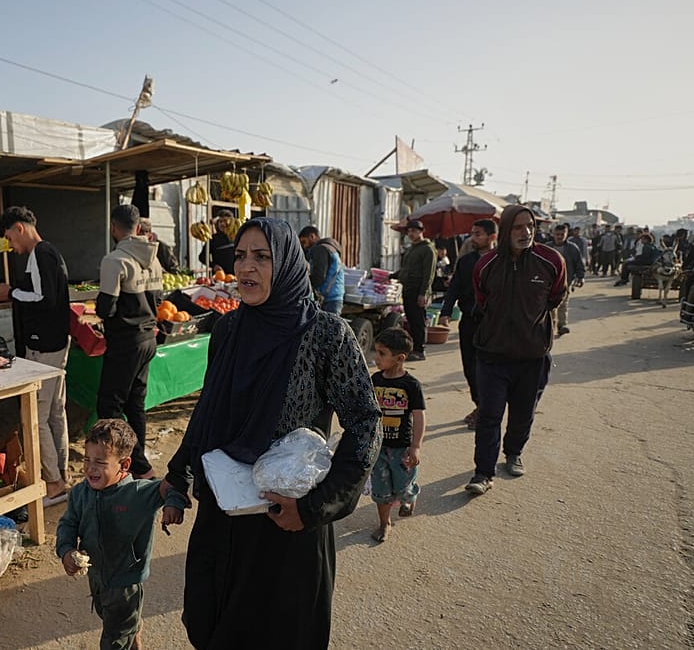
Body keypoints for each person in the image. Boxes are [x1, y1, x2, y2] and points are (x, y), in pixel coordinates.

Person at [163, 217, 381, 649]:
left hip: (286, 519)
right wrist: (178, 473)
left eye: (262, 257)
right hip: (224, 513)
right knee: (213, 622)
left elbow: (365, 421)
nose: (246, 267)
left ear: (287, 264)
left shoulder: (326, 335)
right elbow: (209, 409)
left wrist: (317, 505)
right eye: (240, 256)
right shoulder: (227, 329)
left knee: (280, 632)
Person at [56, 419, 189, 650]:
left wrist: (173, 504)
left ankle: (129, 631)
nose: (90, 468)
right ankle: (133, 629)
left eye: (100, 462)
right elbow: (68, 524)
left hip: (126, 585)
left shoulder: (137, 493)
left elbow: (170, 487)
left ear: (124, 464)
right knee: (110, 618)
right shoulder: (79, 493)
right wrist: (66, 550)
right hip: (97, 578)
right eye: (87, 459)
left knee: (114, 640)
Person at [465, 205, 566, 495]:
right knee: (489, 416)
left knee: (523, 413)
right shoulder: (485, 265)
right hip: (492, 355)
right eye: (518, 227)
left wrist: (530, 324)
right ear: (506, 230)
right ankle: (483, 473)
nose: (526, 232)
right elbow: (482, 301)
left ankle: (513, 452)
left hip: (532, 356)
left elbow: (556, 296)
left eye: (530, 226)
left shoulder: (551, 261)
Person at [0, 206, 72, 503]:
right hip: (56, 343)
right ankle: (62, 473)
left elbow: (43, 297)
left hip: (45, 347)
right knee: (55, 412)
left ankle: (53, 482)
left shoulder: (40, 253)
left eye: (10, 238)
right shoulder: (50, 252)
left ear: (19, 228)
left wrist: (11, 292)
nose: (10, 245)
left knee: (36, 417)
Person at [96, 204, 164, 479]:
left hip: (126, 342)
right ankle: (137, 464)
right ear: (137, 227)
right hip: (148, 338)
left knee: (109, 405)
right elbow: (158, 300)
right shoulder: (154, 258)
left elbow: (105, 308)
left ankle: (138, 465)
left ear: (114, 227)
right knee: (135, 403)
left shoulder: (115, 260)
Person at [368, 327, 425, 543]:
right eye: (376, 351)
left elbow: (419, 416)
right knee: (380, 488)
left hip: (402, 449)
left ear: (400, 358)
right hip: (378, 447)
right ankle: (385, 523)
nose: (376, 358)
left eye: (382, 353)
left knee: (403, 486)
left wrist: (415, 446)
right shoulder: (375, 380)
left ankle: (409, 497)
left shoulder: (411, 385)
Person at [439, 219, 497, 427]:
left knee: (489, 368)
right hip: (469, 322)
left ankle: (485, 409)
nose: (473, 238)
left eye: (478, 234)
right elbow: (454, 287)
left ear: (492, 237)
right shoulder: (466, 261)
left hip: (493, 324)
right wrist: (446, 312)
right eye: (472, 233)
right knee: (470, 368)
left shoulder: (501, 261)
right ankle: (480, 405)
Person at [391, 219, 436, 361]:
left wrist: (423, 293)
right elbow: (405, 270)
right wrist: (390, 276)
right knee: (411, 319)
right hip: (408, 288)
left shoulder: (427, 249)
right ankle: (414, 348)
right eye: (409, 231)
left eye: (414, 231)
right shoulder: (411, 249)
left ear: (422, 232)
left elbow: (429, 274)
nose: (411, 234)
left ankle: (419, 350)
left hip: (418, 290)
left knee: (418, 321)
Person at [548, 223, 586, 336]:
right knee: (550, 305)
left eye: (562, 234)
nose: (559, 237)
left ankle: (562, 325)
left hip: (566, 281)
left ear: (566, 234)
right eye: (557, 234)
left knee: (563, 303)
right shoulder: (547, 248)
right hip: (549, 282)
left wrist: (581, 277)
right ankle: (551, 326)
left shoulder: (573, 248)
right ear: (553, 234)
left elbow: (579, 264)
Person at [298, 225, 346, 314]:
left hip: (328, 298)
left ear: (312, 236)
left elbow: (319, 276)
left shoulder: (320, 249)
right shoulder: (329, 248)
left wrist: (304, 283)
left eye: (304, 242)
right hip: (335, 295)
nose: (304, 246)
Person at [200, 209, 237, 275]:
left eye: (225, 221)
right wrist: (214, 265)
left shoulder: (237, 237)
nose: (222, 224)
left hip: (237, 275)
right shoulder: (213, 239)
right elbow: (202, 257)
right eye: (220, 221)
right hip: (219, 276)